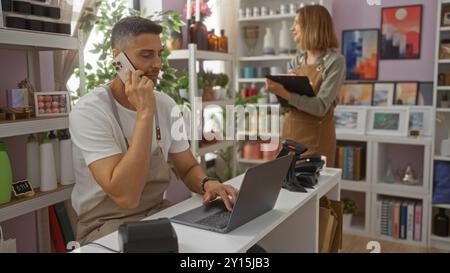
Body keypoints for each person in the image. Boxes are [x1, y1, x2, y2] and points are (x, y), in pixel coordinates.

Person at [69, 16, 238, 245]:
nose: (158, 64)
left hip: (157, 214)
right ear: (118, 59)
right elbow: (127, 196)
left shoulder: (166, 104)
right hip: (105, 226)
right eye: (147, 55)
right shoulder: (89, 111)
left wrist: (208, 183)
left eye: (159, 54)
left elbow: (187, 168)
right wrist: (145, 112)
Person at [265, 5, 345, 167]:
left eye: (296, 23)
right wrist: (279, 93)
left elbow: (320, 107)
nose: (291, 28)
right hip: (290, 137)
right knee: (287, 190)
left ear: (311, 26)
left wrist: (285, 93)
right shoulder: (297, 60)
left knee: (316, 190)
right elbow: (288, 108)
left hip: (317, 142)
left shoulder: (334, 62)